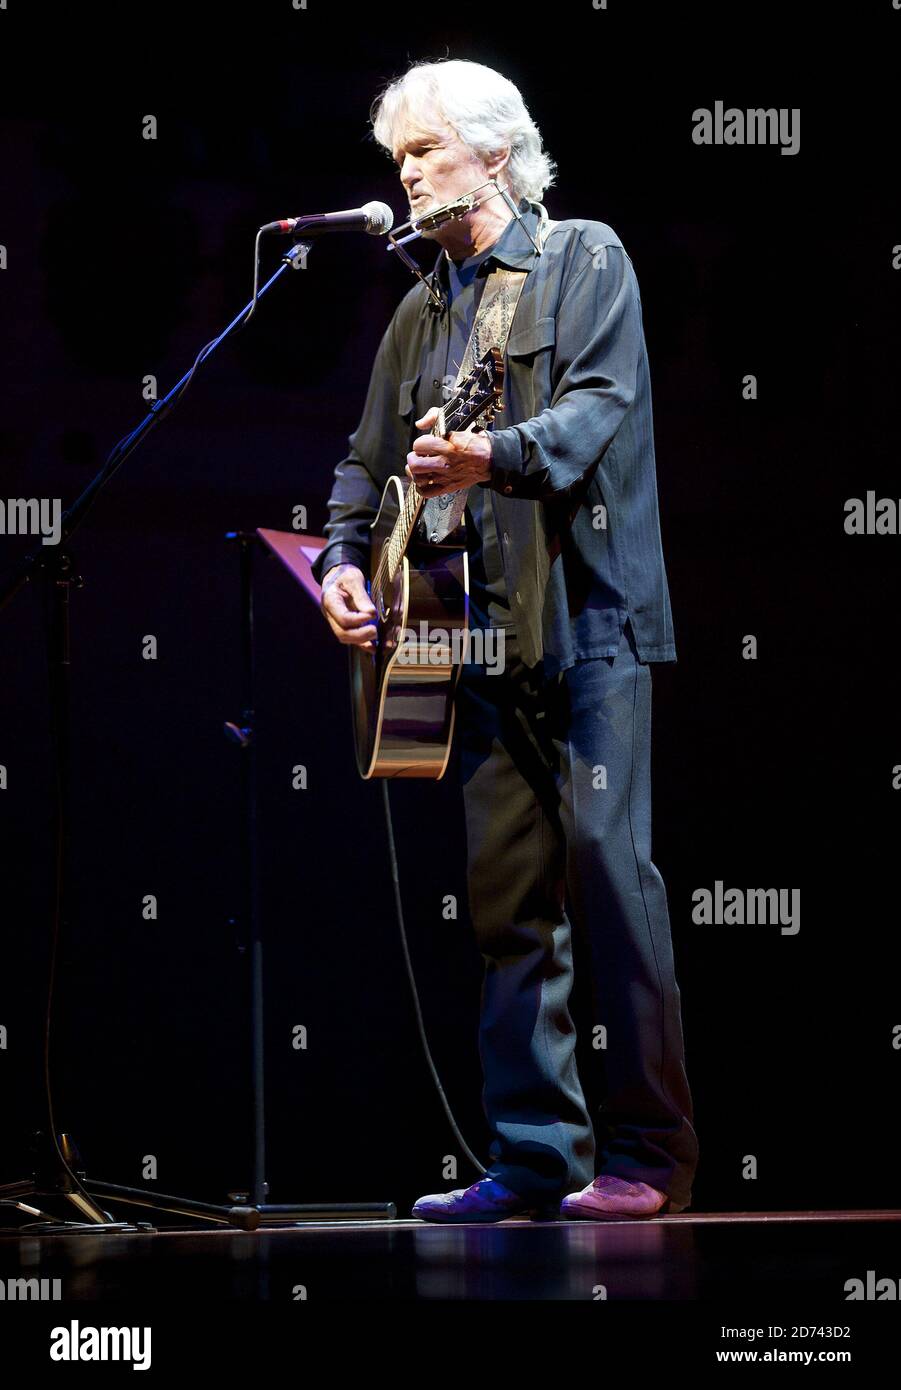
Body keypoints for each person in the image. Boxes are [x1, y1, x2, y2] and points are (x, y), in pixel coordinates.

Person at [311, 58, 699, 1222]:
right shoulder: (419, 309)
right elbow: (362, 463)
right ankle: (535, 1157)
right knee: (503, 900)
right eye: (398, 159)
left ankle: (645, 1154)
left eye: (424, 152)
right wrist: (338, 560)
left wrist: (492, 455)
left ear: (493, 152)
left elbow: (595, 411)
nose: (407, 174)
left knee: (608, 877)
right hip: (468, 632)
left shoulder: (584, 258)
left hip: (587, 622)